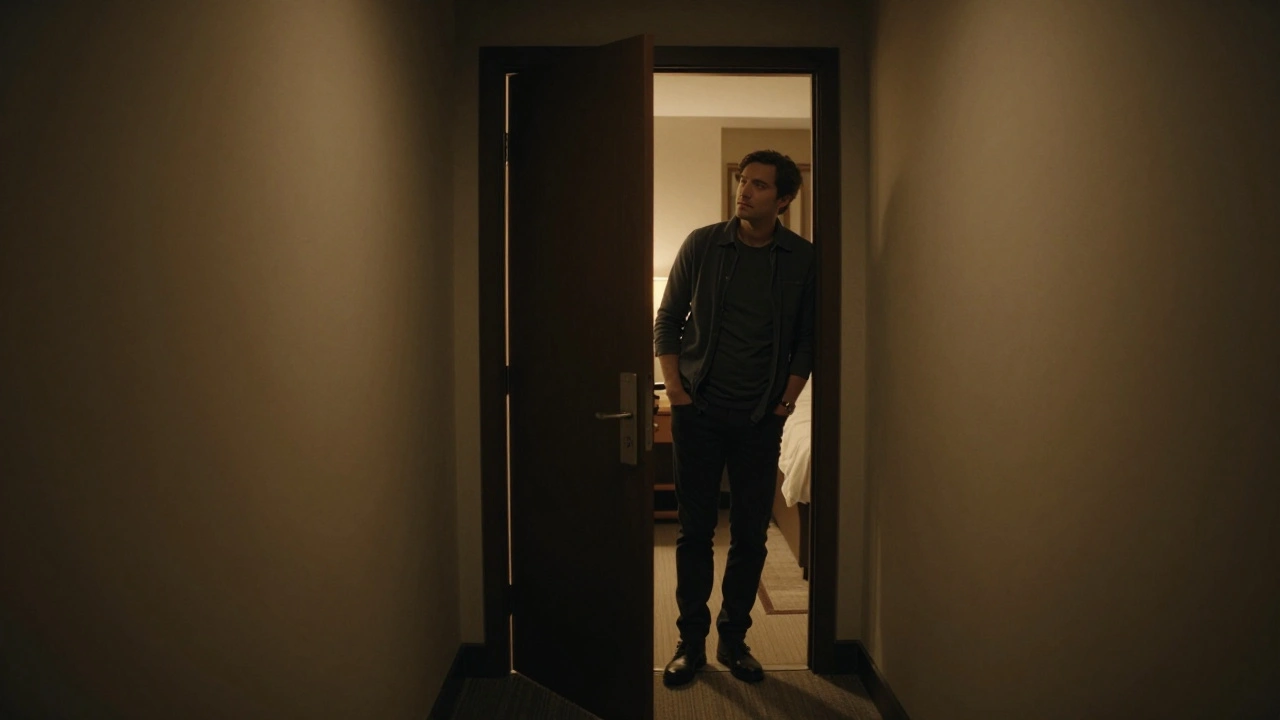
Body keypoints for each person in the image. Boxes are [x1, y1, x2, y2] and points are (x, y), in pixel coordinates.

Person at [654, 149, 815, 686]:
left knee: (749, 534)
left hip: (759, 421)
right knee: (695, 533)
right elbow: (668, 320)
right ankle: (690, 641)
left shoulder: (801, 259)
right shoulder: (703, 245)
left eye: (760, 185)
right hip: (697, 413)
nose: (744, 191)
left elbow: (807, 343)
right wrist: (675, 392)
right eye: (743, 181)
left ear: (785, 199)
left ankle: (734, 638)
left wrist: (785, 403)